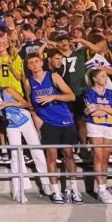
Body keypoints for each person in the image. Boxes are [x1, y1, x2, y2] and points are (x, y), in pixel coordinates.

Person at [0, 73, 49, 203]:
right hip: (11, 125)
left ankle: (46, 182)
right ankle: (18, 190)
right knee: (15, 155)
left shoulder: (7, 90)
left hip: (24, 120)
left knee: (36, 150)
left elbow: (25, 103)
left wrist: (8, 104)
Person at [26, 51, 76, 204]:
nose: (34, 64)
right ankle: (56, 191)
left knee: (68, 154)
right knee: (51, 157)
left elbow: (71, 96)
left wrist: (53, 96)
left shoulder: (53, 76)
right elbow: (30, 104)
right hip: (47, 123)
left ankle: (73, 189)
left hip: (64, 119)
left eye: (36, 61)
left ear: (41, 62)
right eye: (31, 63)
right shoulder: (29, 82)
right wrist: (36, 119)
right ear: (28, 66)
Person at [83, 68, 112, 204]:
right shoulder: (89, 93)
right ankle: (100, 189)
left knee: (106, 158)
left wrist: (101, 108)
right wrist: (110, 110)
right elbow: (91, 113)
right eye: (102, 76)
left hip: (111, 126)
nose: (105, 79)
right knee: (98, 156)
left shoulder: (111, 93)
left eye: (106, 76)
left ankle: (104, 188)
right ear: (95, 79)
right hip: (95, 126)